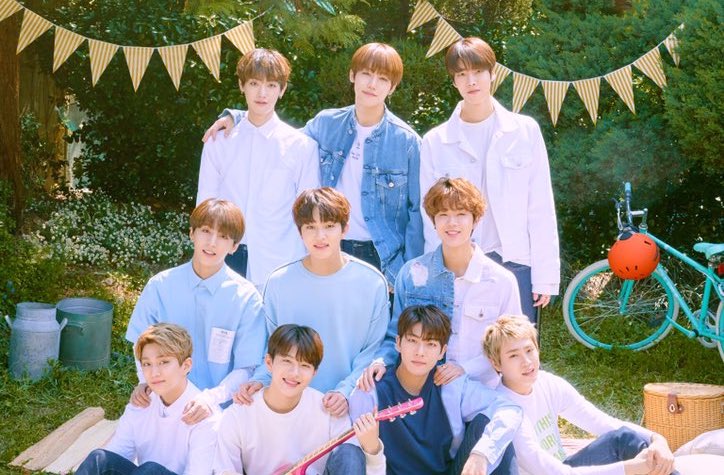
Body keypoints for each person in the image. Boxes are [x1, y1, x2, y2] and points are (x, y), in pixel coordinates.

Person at [203, 42, 423, 283]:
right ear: (352, 75)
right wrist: (237, 116)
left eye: (382, 79)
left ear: (392, 87)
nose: (372, 84)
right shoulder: (327, 124)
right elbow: (276, 138)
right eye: (366, 74)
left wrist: (407, 273)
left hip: (383, 256)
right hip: (330, 246)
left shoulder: (407, 142)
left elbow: (416, 211)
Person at [419, 37, 560, 324]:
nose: (471, 81)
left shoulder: (524, 130)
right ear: (454, 81)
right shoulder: (436, 141)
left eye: (478, 72)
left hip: (515, 261)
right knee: (458, 345)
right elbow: (429, 215)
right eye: (462, 74)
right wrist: (436, 271)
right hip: (457, 264)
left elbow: (540, 205)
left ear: (492, 74)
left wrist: (545, 275)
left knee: (516, 346)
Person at [234, 187, 389, 417]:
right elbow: (269, 344)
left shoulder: (372, 282)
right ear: (300, 232)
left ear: (345, 229)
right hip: (288, 405)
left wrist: (346, 391)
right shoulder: (279, 282)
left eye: (329, 226)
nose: (320, 236)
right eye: (310, 227)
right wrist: (260, 379)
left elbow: (373, 349)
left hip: (347, 408)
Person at [360, 177, 521, 389]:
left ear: (475, 220)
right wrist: (380, 361)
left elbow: (512, 345)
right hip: (422, 391)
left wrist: (465, 369)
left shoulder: (501, 281)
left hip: (480, 390)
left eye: (461, 214)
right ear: (433, 222)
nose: (452, 223)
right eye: (443, 214)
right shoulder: (411, 274)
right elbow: (395, 335)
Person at [126, 198, 266, 423]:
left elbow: (247, 367)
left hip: (219, 411)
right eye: (206, 231)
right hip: (163, 402)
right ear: (192, 233)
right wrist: (145, 381)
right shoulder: (160, 286)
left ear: (234, 247)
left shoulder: (246, 298)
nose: (212, 243)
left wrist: (210, 399)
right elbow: (138, 345)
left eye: (223, 236)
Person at [483, 315, 677, 475]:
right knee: (623, 444)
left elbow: (602, 422)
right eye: (513, 355)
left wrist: (657, 440)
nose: (526, 361)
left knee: (627, 440)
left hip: (566, 467)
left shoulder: (547, 383)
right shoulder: (504, 409)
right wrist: (630, 468)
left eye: (529, 350)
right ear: (496, 363)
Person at [197, 48, 319, 288]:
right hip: (224, 253)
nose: (262, 93)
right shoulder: (218, 141)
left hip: (279, 260)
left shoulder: (302, 147)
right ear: (242, 85)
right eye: (254, 83)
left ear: (282, 89)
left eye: (271, 85)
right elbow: (206, 202)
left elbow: (307, 214)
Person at [349, 305, 521, 475]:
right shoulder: (370, 391)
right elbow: (354, 459)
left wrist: (482, 454)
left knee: (491, 432)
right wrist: (372, 450)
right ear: (398, 343)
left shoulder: (450, 385)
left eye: (430, 344)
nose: (420, 352)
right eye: (412, 341)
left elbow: (509, 408)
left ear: (442, 352)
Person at [213, 324, 385, 475]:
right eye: (287, 361)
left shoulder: (329, 410)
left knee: (350, 453)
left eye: (304, 365)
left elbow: (353, 466)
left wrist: (373, 450)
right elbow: (225, 470)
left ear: (314, 372)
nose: (294, 373)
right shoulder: (238, 415)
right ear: (269, 363)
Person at [76, 323, 217, 475]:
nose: (154, 373)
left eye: (163, 362)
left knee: (150, 470)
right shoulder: (142, 400)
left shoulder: (203, 414)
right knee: (99, 459)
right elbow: (117, 453)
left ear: (186, 366)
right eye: (147, 364)